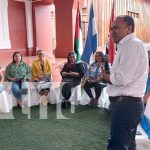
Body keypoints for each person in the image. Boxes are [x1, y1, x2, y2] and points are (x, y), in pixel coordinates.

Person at [101, 15, 148, 150]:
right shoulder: (128, 45)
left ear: (129, 28)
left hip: (126, 106)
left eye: (116, 28)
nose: (113, 31)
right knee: (128, 144)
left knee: (118, 146)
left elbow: (121, 79)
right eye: (112, 28)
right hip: (128, 105)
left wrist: (105, 77)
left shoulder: (131, 45)